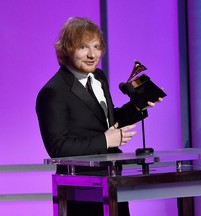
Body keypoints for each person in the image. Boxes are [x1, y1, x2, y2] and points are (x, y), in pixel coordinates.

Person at [36, 17, 162, 216]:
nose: (92, 54)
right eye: (83, 47)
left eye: (96, 46)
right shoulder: (53, 92)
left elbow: (108, 121)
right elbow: (58, 148)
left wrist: (138, 106)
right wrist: (105, 140)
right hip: (81, 187)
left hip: (112, 178)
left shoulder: (99, 77)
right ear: (67, 49)